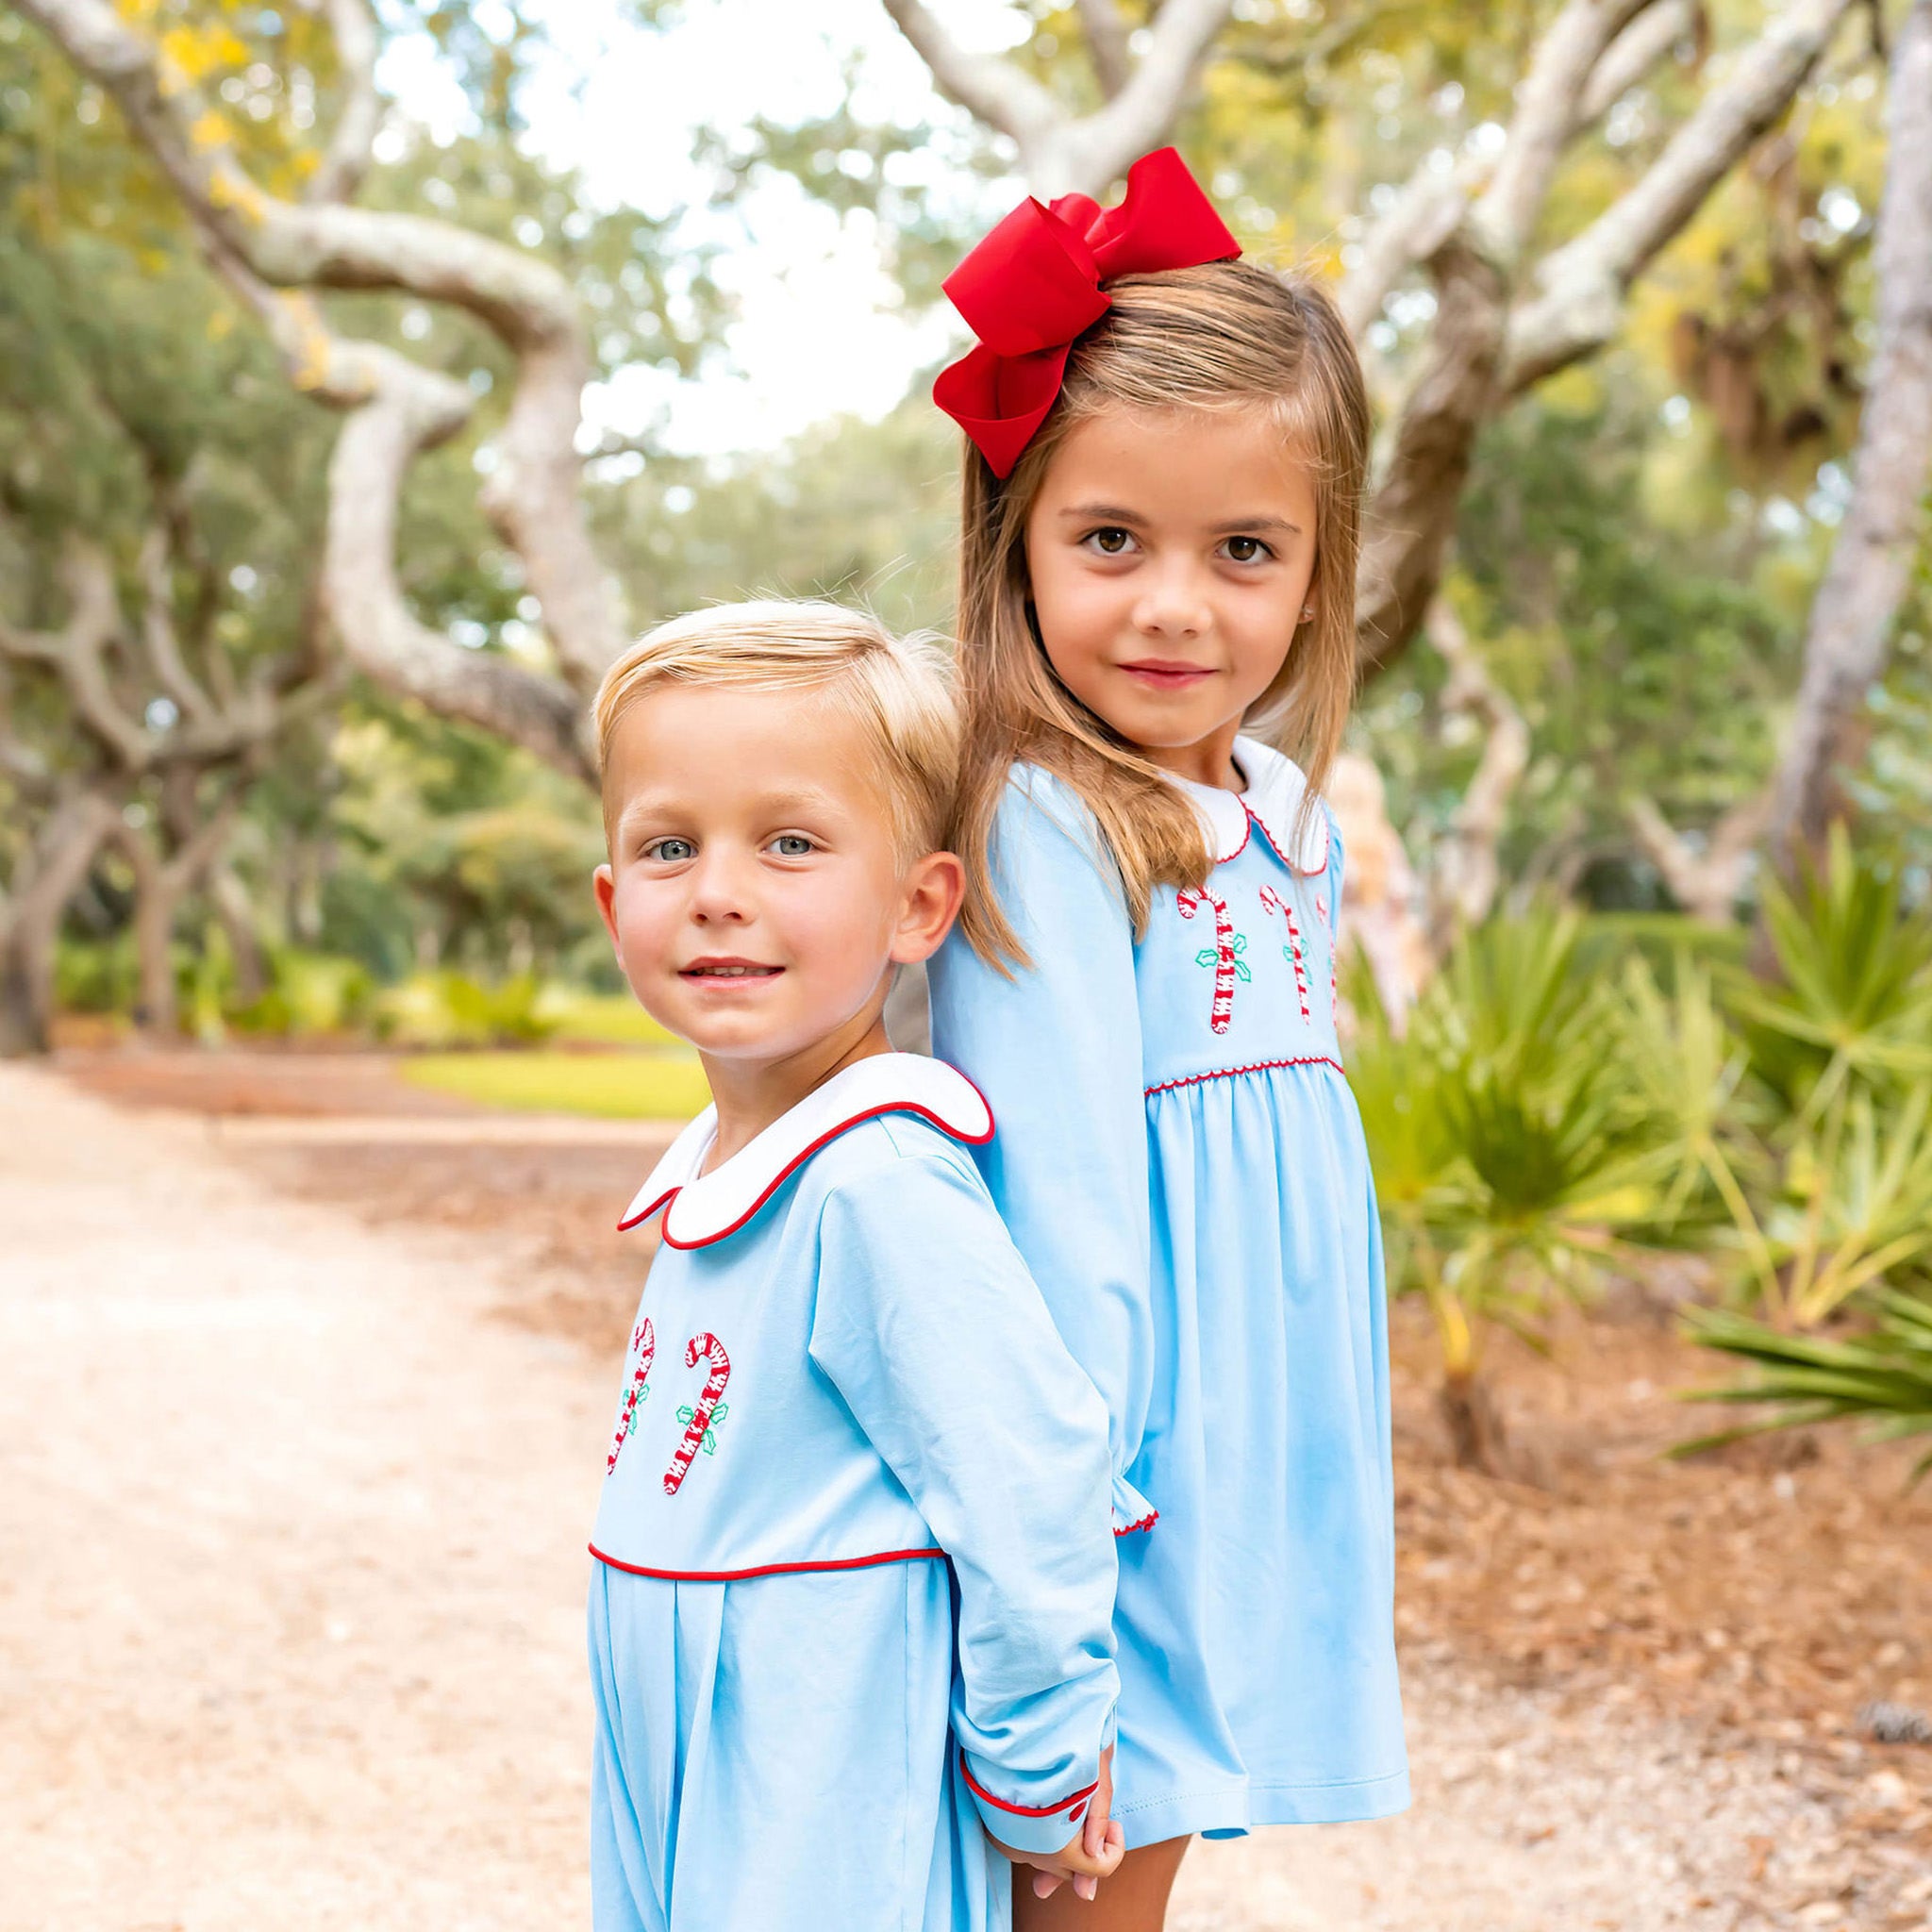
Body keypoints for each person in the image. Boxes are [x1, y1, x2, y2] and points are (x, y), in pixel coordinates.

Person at [926, 150, 1410, 1930]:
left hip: (1254, 1441)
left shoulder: (1288, 815)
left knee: (1161, 1842)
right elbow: (1062, 1217)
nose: (1174, 606)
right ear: (1019, 541)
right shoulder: (1051, 821)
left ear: (1317, 569)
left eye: (1246, 550)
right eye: (1109, 539)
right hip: (1124, 1460)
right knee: (1081, 1863)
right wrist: (1077, 1529)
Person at [584, 602, 1124, 1931]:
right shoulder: (725, 1163)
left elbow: (1031, 1482)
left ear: (917, 904)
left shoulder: (878, 1183)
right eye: (669, 845)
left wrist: (1040, 1770)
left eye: (790, 843)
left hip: (817, 1793)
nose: (719, 888)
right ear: (612, 902)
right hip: (688, 1783)